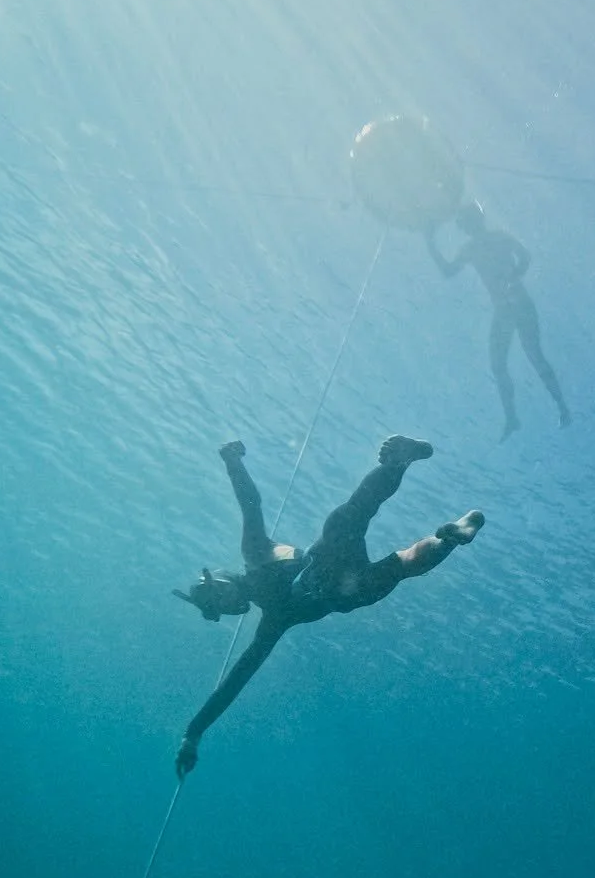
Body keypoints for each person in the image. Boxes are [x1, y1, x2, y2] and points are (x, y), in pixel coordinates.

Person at [172, 436, 484, 778]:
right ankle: (444, 533)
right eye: (217, 608)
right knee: (380, 544)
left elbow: (251, 503)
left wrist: (233, 463)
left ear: (220, 579)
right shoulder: (272, 621)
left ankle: (410, 483)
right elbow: (236, 680)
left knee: (381, 546)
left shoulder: (258, 565)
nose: (225, 605)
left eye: (216, 596)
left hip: (342, 586)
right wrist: (194, 732)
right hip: (345, 585)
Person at [426, 201, 572, 439]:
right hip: (510, 306)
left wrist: (430, 242)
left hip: (514, 305)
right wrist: (517, 272)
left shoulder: (479, 245)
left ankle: (549, 409)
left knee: (527, 358)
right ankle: (526, 414)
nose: (466, 227)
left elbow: (449, 271)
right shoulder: (479, 245)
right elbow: (524, 257)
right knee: (511, 361)